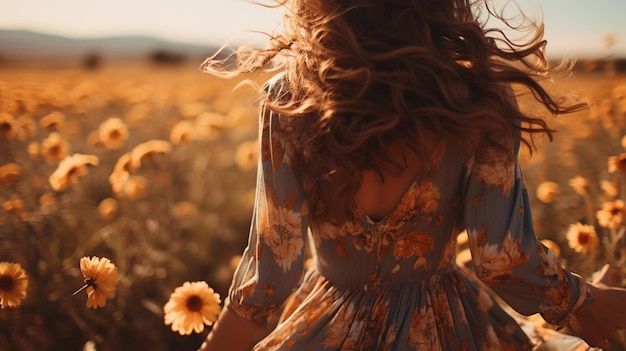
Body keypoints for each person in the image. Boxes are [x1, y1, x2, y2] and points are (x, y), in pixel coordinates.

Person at [198, 0, 626, 350]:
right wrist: (582, 300)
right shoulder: (478, 98)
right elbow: (501, 258)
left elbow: (270, 276)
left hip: (324, 327)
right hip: (450, 326)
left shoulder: (289, 100)